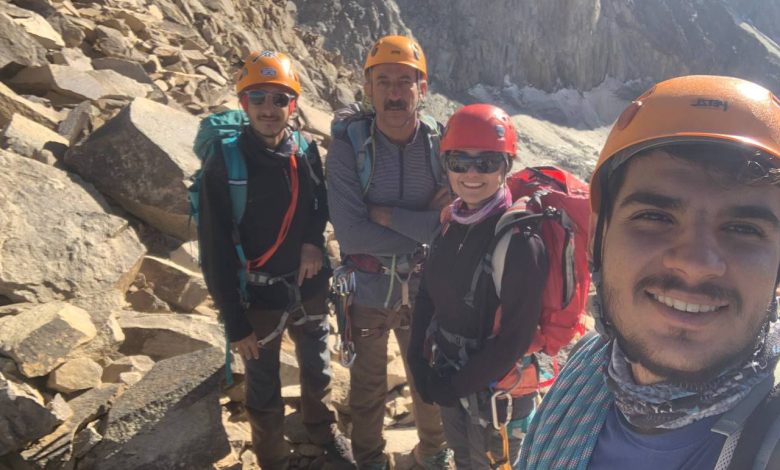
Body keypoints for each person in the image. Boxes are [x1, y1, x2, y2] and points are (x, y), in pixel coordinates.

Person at [519, 75, 780, 470]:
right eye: (655, 217)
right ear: (597, 238)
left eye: (744, 229)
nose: (695, 264)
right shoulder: (588, 363)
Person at [198, 50, 354, 470]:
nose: (269, 108)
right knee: (263, 383)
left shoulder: (304, 149)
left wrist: (312, 243)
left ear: (293, 104)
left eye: (279, 99)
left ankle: (322, 429)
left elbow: (319, 203)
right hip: (259, 292)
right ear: (243, 102)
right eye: (258, 98)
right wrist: (235, 322)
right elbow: (214, 248)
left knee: (318, 366)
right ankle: (272, 458)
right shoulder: (224, 162)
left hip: (308, 281)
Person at [326, 35, 453, 469]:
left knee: (427, 376)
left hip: (423, 285)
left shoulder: (439, 145)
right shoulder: (349, 146)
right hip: (366, 288)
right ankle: (370, 460)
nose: (394, 93)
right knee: (367, 386)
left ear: (422, 87)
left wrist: (385, 216)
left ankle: (433, 454)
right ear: (368, 88)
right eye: (383, 81)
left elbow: (450, 225)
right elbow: (351, 235)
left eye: (404, 81)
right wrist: (423, 224)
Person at [407, 104, 546, 469]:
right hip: (454, 377)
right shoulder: (451, 223)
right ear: (446, 165)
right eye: (459, 162)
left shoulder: (520, 241)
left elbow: (515, 339)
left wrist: (453, 386)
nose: (471, 173)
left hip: (497, 396)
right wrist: (416, 359)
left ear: (505, 166)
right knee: (464, 460)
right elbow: (428, 294)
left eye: (486, 163)